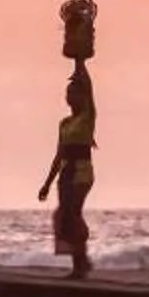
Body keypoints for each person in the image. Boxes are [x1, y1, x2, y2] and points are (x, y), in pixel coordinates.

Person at [36, 63, 97, 280]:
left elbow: (90, 90)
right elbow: (58, 155)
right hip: (66, 172)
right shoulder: (64, 123)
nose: (70, 97)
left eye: (74, 93)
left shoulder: (87, 117)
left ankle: (82, 261)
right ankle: (79, 263)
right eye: (68, 93)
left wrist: (80, 63)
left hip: (82, 171)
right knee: (66, 217)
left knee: (72, 212)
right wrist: (46, 183)